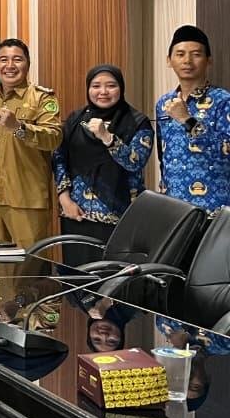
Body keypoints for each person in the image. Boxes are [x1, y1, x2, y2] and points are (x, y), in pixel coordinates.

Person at [52, 65, 153, 266]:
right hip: (76, 213)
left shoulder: (137, 122)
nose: (103, 92)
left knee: (115, 279)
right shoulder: (76, 119)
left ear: (121, 88)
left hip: (120, 215)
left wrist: (108, 138)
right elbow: (59, 157)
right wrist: (64, 198)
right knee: (77, 278)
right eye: (96, 86)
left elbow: (136, 162)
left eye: (111, 86)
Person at [0, 38, 63, 247]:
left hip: (26, 199)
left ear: (28, 64)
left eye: (17, 60)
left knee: (28, 269)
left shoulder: (42, 98)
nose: (10, 66)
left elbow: (54, 138)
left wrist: (19, 127)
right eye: (3, 60)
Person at [156, 25, 230, 213]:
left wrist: (188, 120)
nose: (187, 61)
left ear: (208, 61)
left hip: (215, 208)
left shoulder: (223, 101)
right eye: (180, 54)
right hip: (174, 208)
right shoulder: (164, 103)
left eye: (196, 54)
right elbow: (162, 156)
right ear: (169, 60)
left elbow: (226, 151)